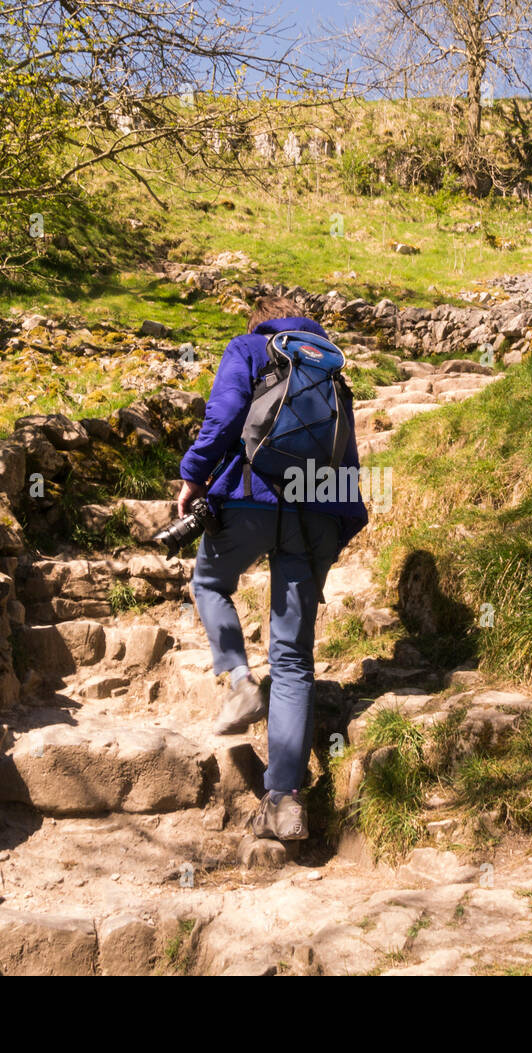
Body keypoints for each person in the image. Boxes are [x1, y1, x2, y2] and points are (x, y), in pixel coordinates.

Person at [177, 295, 367, 842]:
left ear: (258, 319)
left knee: (209, 581)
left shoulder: (249, 348)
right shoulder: (330, 366)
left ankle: (238, 680)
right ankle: (284, 800)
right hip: (316, 511)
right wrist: (340, 524)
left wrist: (193, 474)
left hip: (249, 499)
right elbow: (346, 455)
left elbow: (226, 415)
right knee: (292, 657)